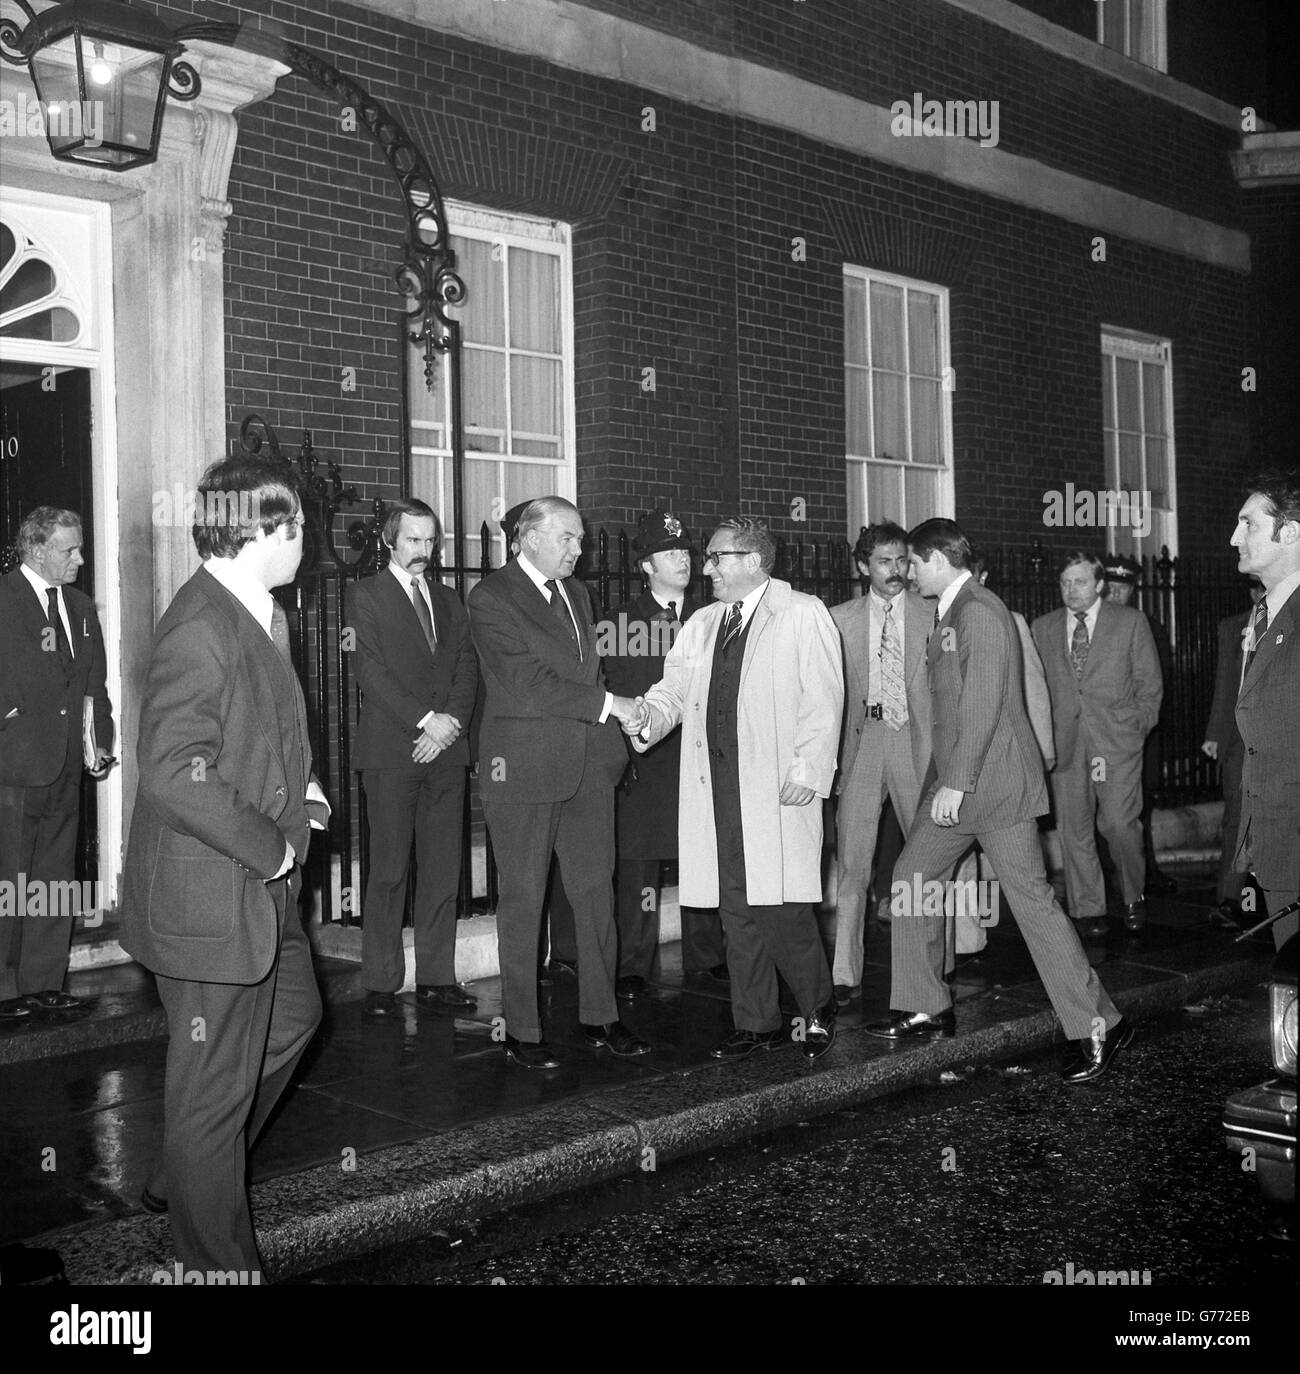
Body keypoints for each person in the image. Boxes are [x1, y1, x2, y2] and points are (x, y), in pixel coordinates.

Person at [120, 457, 329, 1279]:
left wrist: (304, 793)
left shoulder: (262, 614)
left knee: (295, 1020)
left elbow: (268, 734)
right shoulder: (200, 625)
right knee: (212, 1094)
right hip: (213, 896)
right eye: (299, 528)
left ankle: (185, 1171)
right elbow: (173, 767)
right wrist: (271, 844)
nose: (306, 544)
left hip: (260, 886)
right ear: (262, 532)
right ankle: (216, 1263)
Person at [868, 520, 1130, 1085]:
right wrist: (948, 783)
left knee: (1033, 904)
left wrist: (956, 784)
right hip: (963, 786)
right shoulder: (955, 610)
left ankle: (1097, 1026)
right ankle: (925, 1005)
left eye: (913, 562)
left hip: (995, 786)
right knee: (913, 874)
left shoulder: (980, 611)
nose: (907, 573)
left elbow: (985, 702)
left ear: (937, 558)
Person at [632, 517, 843, 1060]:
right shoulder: (703, 622)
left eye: (715, 557)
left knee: (782, 905)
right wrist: (647, 719)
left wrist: (807, 771)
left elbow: (824, 700)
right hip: (716, 788)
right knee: (736, 907)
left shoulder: (802, 613)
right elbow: (672, 689)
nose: (705, 568)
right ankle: (757, 1021)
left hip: (775, 787)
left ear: (751, 560)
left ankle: (817, 1006)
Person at [468, 495, 650, 1068]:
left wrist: (612, 735)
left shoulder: (577, 593)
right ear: (528, 538)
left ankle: (602, 1016)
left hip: (587, 768)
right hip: (523, 769)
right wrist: (612, 706)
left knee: (596, 896)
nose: (580, 549)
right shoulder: (491, 597)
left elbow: (584, 670)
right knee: (524, 899)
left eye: (580, 538)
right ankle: (522, 1028)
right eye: (568, 538)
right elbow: (528, 683)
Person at [347, 498, 479, 1017]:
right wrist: (427, 720)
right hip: (392, 753)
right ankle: (381, 984)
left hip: (446, 752)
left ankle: (437, 978)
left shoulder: (450, 601)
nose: (424, 551)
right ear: (389, 542)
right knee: (388, 869)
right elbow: (369, 671)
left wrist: (448, 727)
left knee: (444, 869)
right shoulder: (366, 597)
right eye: (413, 541)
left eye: (430, 541)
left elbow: (468, 669)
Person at [601, 509, 724, 995]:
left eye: (686, 552)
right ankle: (633, 962)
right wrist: (619, 759)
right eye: (669, 553)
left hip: (699, 764)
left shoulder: (712, 618)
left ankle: (707, 956)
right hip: (645, 763)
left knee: (702, 861)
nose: (683, 560)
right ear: (645, 565)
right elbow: (610, 695)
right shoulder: (618, 624)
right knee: (638, 869)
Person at [0, 507, 114, 1021]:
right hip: (13, 768)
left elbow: (94, 686)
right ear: (36, 549)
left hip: (67, 767)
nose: (80, 559)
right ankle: (4, 988)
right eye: (69, 550)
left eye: (80, 548)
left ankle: (43, 981)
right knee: (9, 880)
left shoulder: (83, 607)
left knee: (52, 879)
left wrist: (99, 742)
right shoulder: (3, 600)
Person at [828, 522, 932, 1006]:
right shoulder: (838, 620)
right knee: (853, 863)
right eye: (884, 561)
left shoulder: (932, 615)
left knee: (929, 859)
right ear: (863, 566)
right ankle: (845, 972)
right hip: (863, 742)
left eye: (901, 560)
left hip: (914, 742)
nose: (896, 571)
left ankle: (938, 963)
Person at [1031, 552, 1162, 937]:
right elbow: (1036, 689)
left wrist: (1135, 728)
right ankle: (1088, 908)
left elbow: (1150, 687)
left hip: (1114, 744)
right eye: (1066, 582)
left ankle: (1133, 894)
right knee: (1074, 827)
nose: (1071, 590)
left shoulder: (1130, 623)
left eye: (1081, 582)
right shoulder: (1044, 627)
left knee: (1119, 823)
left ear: (1100, 584)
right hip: (1067, 743)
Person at [949, 548, 1055, 965]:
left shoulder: (1010, 623)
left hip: (1003, 764)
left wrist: (1043, 750)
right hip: (956, 762)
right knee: (956, 857)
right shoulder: (941, 623)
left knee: (1014, 868)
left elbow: (1033, 692)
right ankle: (967, 939)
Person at [1230, 470, 1300, 949]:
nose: (1235, 537)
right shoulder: (1266, 614)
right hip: (1276, 831)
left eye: (1248, 524)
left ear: (1290, 533)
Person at [1102, 554, 1178, 897]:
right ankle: (1109, 871)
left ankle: (1146, 872)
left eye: (1124, 588)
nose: (1117, 595)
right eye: (1112, 587)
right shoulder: (1092, 625)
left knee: (1140, 804)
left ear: (1132, 591)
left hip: (1136, 733)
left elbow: (1156, 682)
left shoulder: (1146, 625)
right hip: (1101, 732)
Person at [1201, 580, 1264, 929]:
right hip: (1240, 738)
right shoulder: (1234, 627)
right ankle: (1233, 897)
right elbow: (1225, 683)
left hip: (1280, 737)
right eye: (1254, 589)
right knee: (1236, 817)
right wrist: (1215, 734)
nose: (1260, 595)